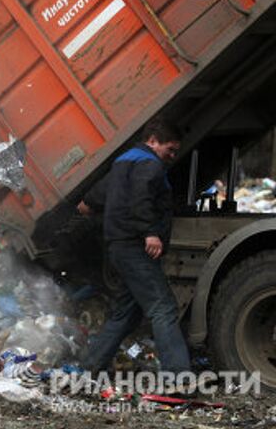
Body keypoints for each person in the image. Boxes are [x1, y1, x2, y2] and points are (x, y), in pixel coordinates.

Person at [79, 119, 190, 375]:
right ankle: (178, 376)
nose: (172, 156)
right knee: (163, 307)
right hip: (136, 248)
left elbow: (101, 193)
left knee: (126, 314)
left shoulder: (123, 161)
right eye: (170, 149)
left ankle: (89, 367)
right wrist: (150, 233)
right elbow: (142, 197)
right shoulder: (150, 164)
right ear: (152, 140)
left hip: (119, 248)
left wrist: (88, 203)